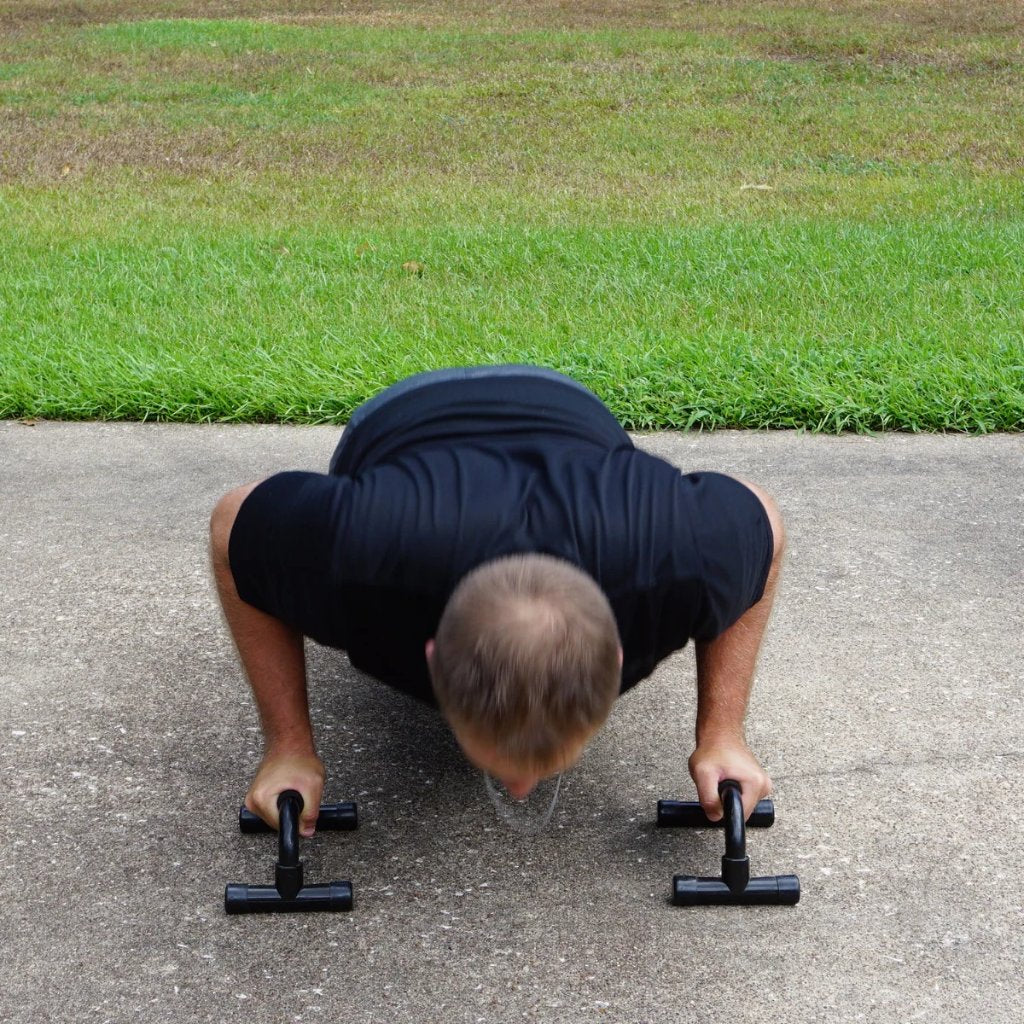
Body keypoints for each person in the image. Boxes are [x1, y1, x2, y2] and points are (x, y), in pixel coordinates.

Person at [209, 366, 784, 838]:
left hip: (571, 412)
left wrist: (723, 734)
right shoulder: (361, 561)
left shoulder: (673, 555)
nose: (519, 791)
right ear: (433, 658)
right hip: (404, 415)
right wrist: (287, 747)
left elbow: (765, 523)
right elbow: (232, 525)